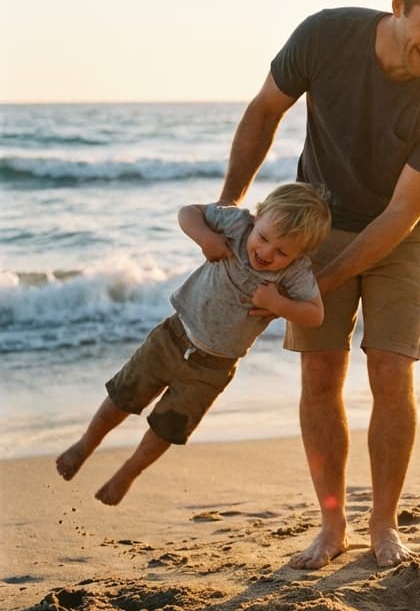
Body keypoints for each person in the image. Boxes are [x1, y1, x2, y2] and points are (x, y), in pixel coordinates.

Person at [217, 0, 420, 570]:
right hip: (321, 216)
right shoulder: (325, 35)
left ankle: (385, 525)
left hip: (404, 230)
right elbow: (264, 111)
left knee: (390, 370)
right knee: (320, 375)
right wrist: (230, 208)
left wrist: (318, 287)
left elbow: (399, 216)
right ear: (398, 5)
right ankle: (331, 525)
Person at [56, 182, 332, 505]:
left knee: (167, 427)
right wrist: (206, 238)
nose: (268, 252)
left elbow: (315, 315)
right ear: (257, 217)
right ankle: (85, 444)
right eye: (265, 238)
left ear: (299, 255)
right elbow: (188, 213)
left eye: (283, 252)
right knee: (123, 394)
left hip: (213, 367)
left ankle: (128, 473)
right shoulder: (237, 225)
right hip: (173, 335)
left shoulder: (296, 273)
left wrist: (278, 304)